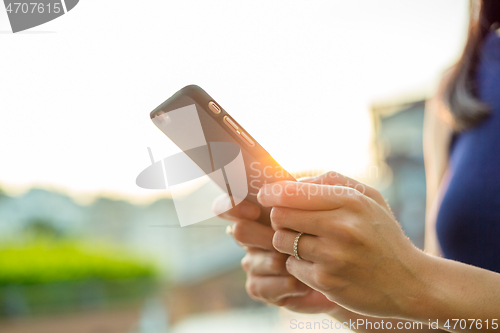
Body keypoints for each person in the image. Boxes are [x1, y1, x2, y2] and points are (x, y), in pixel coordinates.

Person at [213, 1, 500, 332]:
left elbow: (428, 289)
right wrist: (341, 296)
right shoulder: (461, 85)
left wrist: (416, 281)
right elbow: (445, 321)